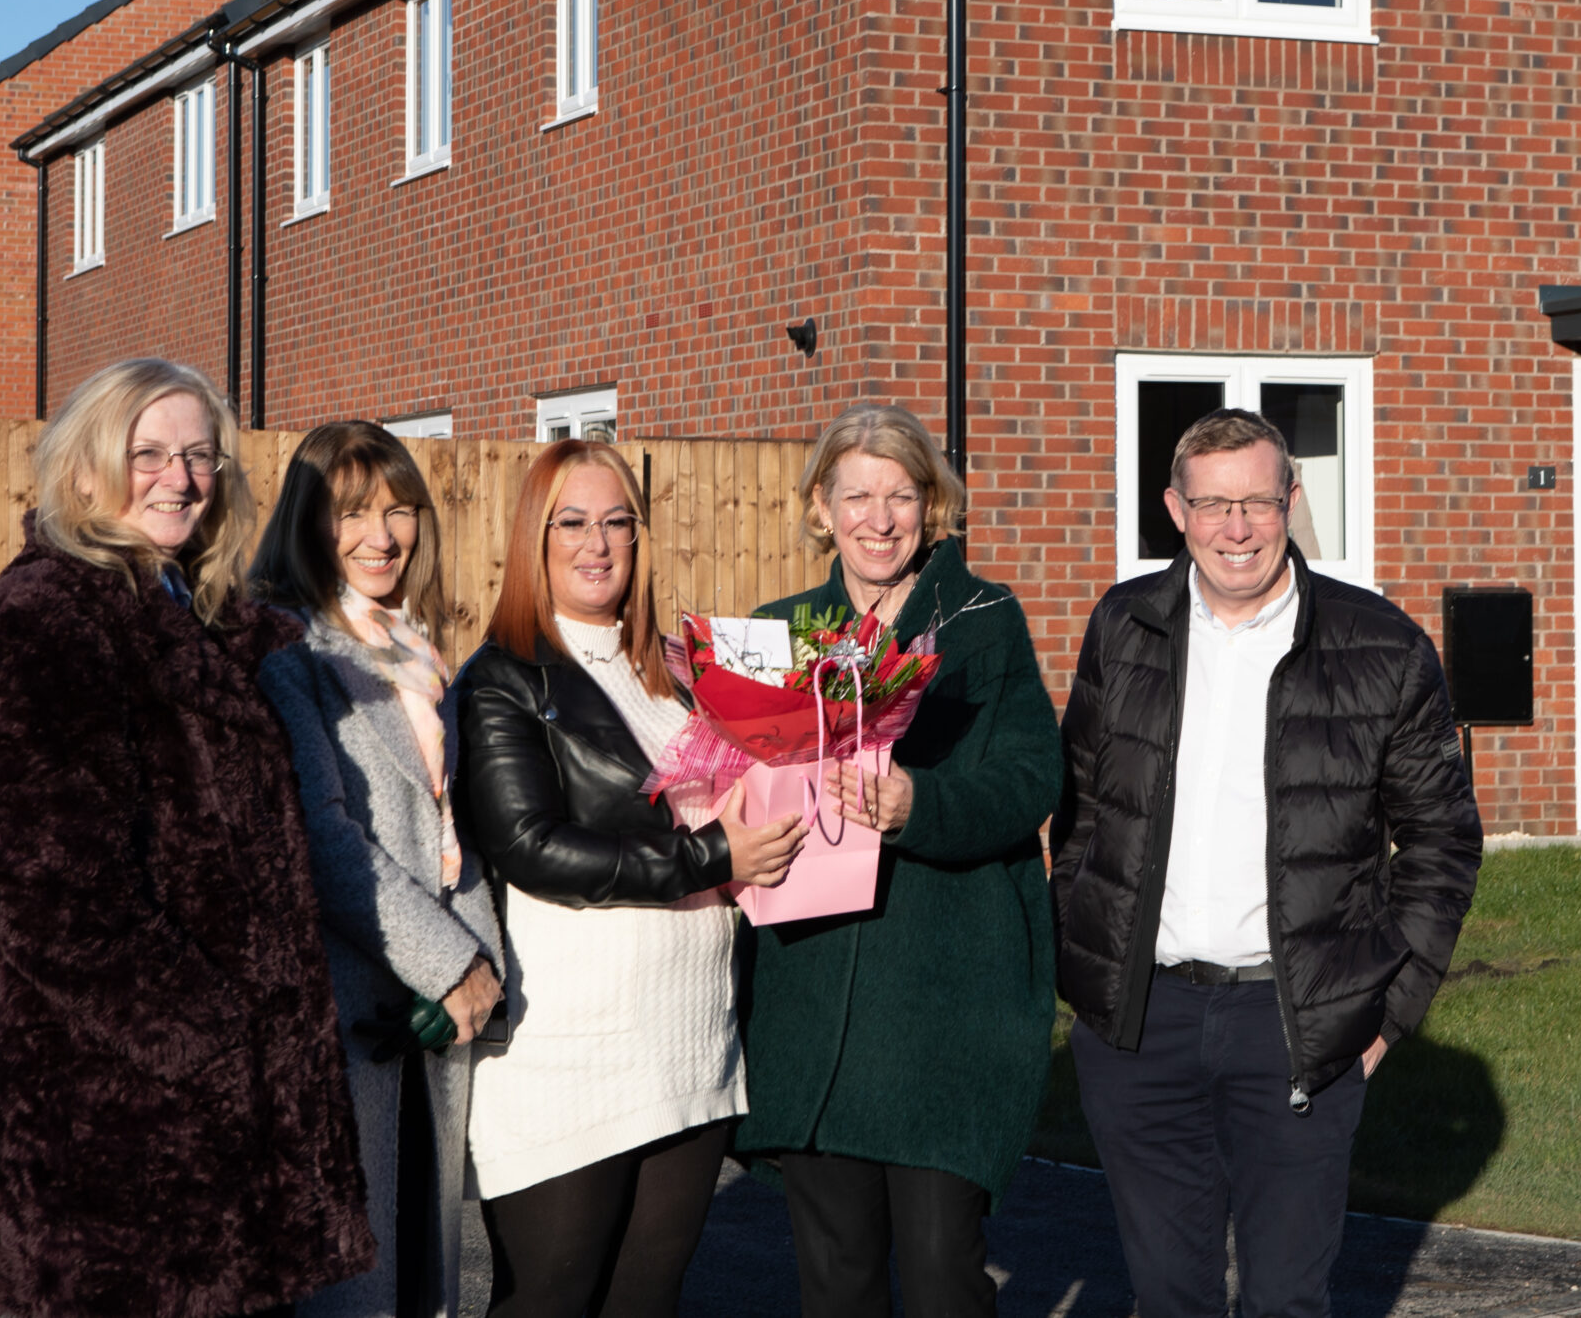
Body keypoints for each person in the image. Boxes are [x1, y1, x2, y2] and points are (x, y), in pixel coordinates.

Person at [0, 358, 372, 1318]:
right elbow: (50, 895)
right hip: (116, 1126)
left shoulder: (195, 614)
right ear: (87, 466)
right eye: (148, 453)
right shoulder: (47, 618)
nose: (178, 478)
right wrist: (217, 1038)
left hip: (213, 1125)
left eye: (199, 456)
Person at [1052, 408, 1485, 1318]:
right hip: (1143, 1023)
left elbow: (1442, 840)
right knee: (1169, 1298)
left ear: (1292, 499)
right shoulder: (1124, 626)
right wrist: (1087, 966)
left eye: (1256, 500)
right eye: (1214, 504)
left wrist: (1386, 1013)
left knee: (1287, 1300)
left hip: (1292, 1026)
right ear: (1177, 508)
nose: (1236, 528)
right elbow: (1084, 809)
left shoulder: (1382, 647)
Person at [455, 438, 808, 1318]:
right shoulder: (505, 676)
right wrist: (713, 856)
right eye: (571, 521)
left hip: (690, 1037)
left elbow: (755, 788)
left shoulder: (685, 673)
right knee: (548, 1299)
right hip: (573, 1047)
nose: (597, 542)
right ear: (534, 537)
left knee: (647, 1301)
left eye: (618, 521)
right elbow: (532, 845)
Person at [735, 402, 1063, 1318]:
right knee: (835, 1283)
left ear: (933, 503)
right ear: (820, 506)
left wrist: (924, 802)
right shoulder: (780, 629)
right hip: (814, 1009)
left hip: (943, 1008)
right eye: (857, 495)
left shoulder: (983, 619)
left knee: (941, 1275)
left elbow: (1033, 778)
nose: (879, 519)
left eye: (902, 494)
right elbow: (735, 785)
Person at [251, 421, 506, 1318]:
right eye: (353, 513)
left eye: (400, 510)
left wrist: (482, 964)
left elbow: (449, 825)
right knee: (348, 1288)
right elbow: (321, 836)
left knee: (413, 1277)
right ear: (306, 522)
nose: (382, 535)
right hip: (343, 1002)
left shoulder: (415, 645)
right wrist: (451, 961)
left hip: (422, 1018)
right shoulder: (292, 649)